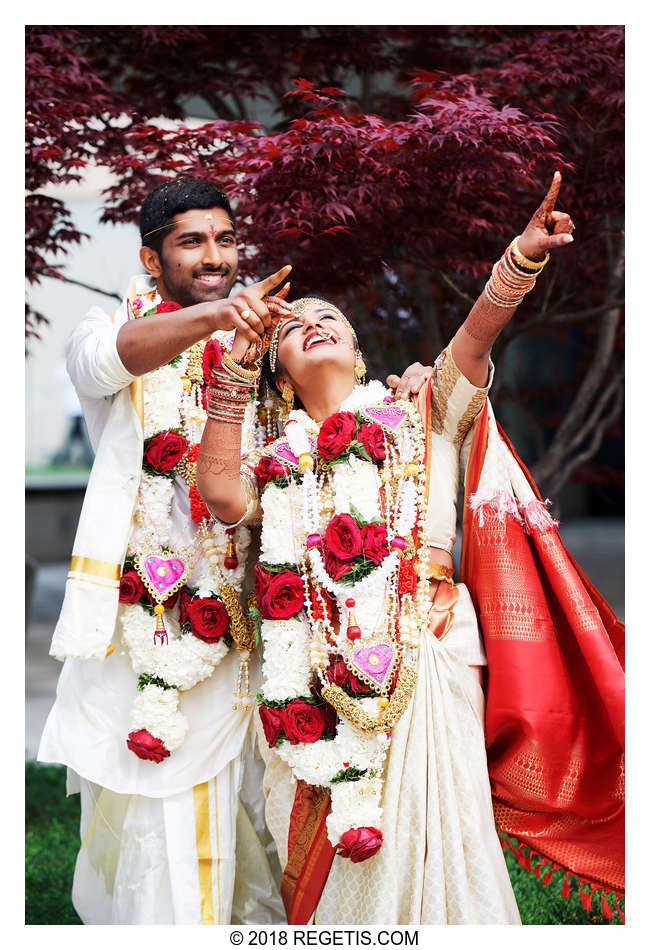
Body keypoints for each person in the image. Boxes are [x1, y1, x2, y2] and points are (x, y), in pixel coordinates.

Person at [197, 173, 625, 924]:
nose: (315, 323)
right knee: (335, 871)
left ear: (361, 355)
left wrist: (518, 260)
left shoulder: (422, 416)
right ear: (285, 380)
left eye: (331, 317)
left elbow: (473, 341)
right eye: (296, 327)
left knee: (442, 849)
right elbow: (222, 496)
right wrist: (235, 369)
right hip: (316, 681)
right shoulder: (281, 459)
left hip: (428, 655)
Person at [38, 177, 294, 924]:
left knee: (269, 811)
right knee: (167, 814)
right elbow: (108, 362)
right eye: (191, 242)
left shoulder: (262, 335)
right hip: (155, 622)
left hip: (268, 613)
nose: (214, 257)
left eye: (224, 239)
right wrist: (214, 314)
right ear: (153, 259)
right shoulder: (107, 327)